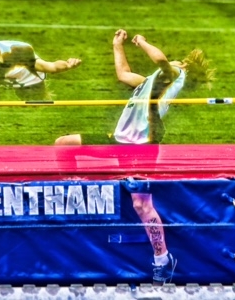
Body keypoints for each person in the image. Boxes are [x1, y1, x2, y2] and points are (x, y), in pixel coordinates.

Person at [55, 30, 215, 285]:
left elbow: (162, 61)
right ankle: (74, 184)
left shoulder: (175, 74)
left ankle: (163, 259)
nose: (171, 61)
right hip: (119, 138)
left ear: (183, 66)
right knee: (63, 144)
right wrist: (117, 45)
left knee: (141, 205)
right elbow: (123, 74)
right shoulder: (150, 83)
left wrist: (142, 42)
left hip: (142, 144)